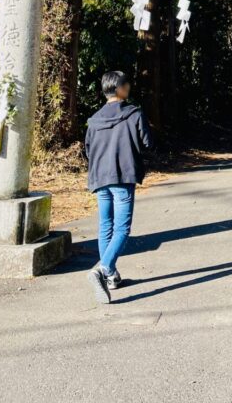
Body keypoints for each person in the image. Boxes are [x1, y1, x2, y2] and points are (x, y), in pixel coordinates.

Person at [84, 70, 153, 304]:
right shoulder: (133, 114)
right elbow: (147, 142)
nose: (129, 87)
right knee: (122, 229)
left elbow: (88, 150)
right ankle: (102, 270)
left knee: (105, 226)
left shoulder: (93, 120)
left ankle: (111, 276)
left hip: (99, 177)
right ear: (121, 88)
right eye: (127, 84)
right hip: (123, 176)